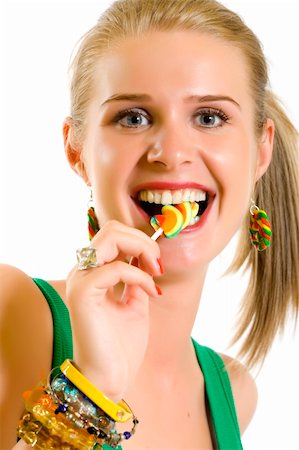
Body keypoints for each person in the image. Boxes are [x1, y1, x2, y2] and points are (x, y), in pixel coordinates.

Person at [1, 0, 298, 448]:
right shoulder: (10, 311)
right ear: (77, 151)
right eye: (133, 118)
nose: (172, 152)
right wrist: (92, 386)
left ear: (260, 151)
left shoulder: (233, 395)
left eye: (209, 117)